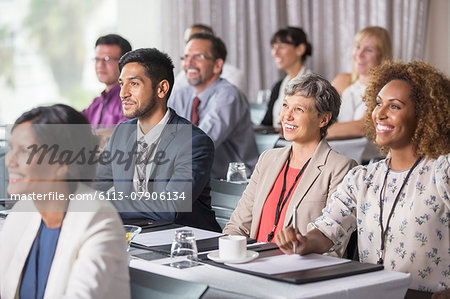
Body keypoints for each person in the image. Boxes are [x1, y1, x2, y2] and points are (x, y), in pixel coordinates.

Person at [275, 61, 450, 296]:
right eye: (378, 104)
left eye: (395, 106)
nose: (380, 113)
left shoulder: (442, 171)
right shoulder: (363, 177)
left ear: (424, 115)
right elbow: (328, 230)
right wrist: (302, 242)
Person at [0, 104, 130, 299]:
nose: (10, 160)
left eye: (25, 151)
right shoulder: (23, 211)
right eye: (12, 148)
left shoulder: (97, 218)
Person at [224, 74, 357, 254]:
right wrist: (230, 256)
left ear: (323, 119)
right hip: (252, 263)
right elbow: (237, 226)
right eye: (285, 106)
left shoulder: (341, 168)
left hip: (299, 271)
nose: (287, 115)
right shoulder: (267, 159)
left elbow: (334, 246)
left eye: (299, 109)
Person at [94, 48, 221, 232]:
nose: (123, 93)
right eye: (122, 84)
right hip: (135, 237)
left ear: (161, 89)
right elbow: (96, 187)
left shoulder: (194, 142)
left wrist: (108, 201)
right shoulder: (122, 133)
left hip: (186, 245)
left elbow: (171, 207)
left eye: (134, 84)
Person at [169, 33, 258, 179]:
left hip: (234, 184)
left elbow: (200, 143)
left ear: (217, 65)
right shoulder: (180, 95)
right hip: (198, 180)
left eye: (198, 57)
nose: (189, 63)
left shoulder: (229, 95)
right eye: (186, 57)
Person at [328, 26, 392, 139]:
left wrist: (312, 131)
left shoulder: (385, 89)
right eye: (358, 47)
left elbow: (363, 127)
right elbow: (316, 111)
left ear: (382, 56)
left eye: (369, 50)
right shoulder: (342, 80)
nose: (359, 54)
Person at [261, 27, 312, 129]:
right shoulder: (278, 86)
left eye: (281, 47)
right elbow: (267, 123)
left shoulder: (313, 86)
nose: (275, 53)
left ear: (300, 49)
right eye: (273, 47)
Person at [172, 24, 246, 94]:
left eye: (199, 56)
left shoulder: (232, 77)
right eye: (188, 40)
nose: (192, 44)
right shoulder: (184, 77)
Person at [82, 34, 132, 125]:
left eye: (108, 59)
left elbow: (124, 135)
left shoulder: (130, 101)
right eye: (97, 59)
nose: (100, 65)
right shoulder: (97, 103)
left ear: (125, 63)